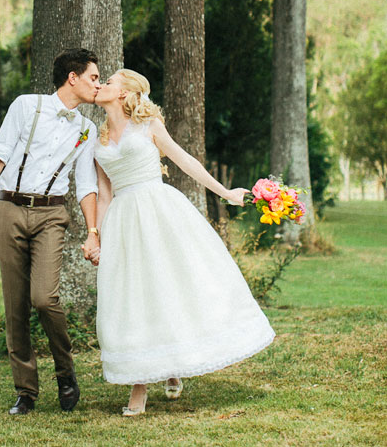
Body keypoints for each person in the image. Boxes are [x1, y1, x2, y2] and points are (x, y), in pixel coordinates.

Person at [93, 69, 275, 416]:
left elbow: (185, 161)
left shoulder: (149, 126)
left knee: (168, 287)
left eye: (110, 81)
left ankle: (161, 372)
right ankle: (146, 377)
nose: (102, 85)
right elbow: (104, 194)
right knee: (135, 296)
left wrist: (224, 193)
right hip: (123, 219)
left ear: (125, 93)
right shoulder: (97, 139)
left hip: (158, 212)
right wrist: (97, 236)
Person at [0, 48, 102, 416]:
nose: (97, 84)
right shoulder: (26, 106)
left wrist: (93, 231)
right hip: (8, 210)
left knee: (44, 299)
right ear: (73, 77)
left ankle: (65, 373)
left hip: (52, 215)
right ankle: (26, 392)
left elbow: (85, 184)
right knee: (15, 306)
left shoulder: (88, 129)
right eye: (93, 77)